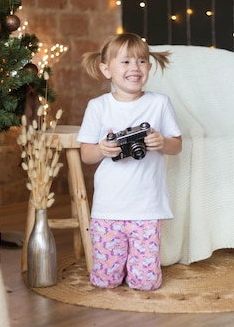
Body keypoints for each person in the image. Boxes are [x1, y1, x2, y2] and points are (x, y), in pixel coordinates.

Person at [76, 33, 182, 291]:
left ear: (149, 67)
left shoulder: (159, 103)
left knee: (146, 283)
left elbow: (177, 146)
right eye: (125, 62)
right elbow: (86, 155)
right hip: (108, 208)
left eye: (142, 61)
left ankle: (137, 271)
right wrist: (102, 149)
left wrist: (161, 142)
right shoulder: (98, 106)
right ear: (106, 69)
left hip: (146, 208)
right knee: (105, 281)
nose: (135, 68)